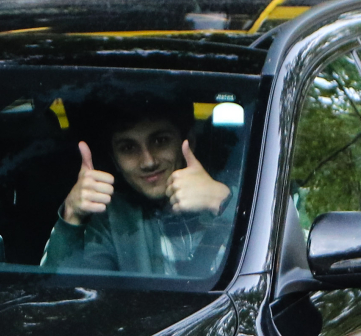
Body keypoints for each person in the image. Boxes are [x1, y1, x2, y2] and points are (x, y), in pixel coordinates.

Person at [43, 103, 236, 276]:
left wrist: (223, 202)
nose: (148, 161)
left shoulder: (248, 193)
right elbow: (63, 300)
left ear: (189, 142)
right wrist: (72, 216)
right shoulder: (111, 219)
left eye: (160, 141)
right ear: (115, 160)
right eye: (128, 148)